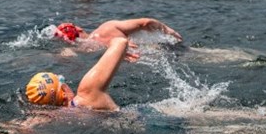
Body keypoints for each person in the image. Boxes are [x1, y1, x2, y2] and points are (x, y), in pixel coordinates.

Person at [26, 37, 129, 110]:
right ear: (64, 91)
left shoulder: (55, 117)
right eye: (61, 79)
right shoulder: (87, 93)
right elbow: (121, 42)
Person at [54, 18, 183, 61]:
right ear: (80, 29)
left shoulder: (82, 50)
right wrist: (167, 29)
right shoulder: (107, 28)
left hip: (143, 59)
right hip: (162, 51)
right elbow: (145, 22)